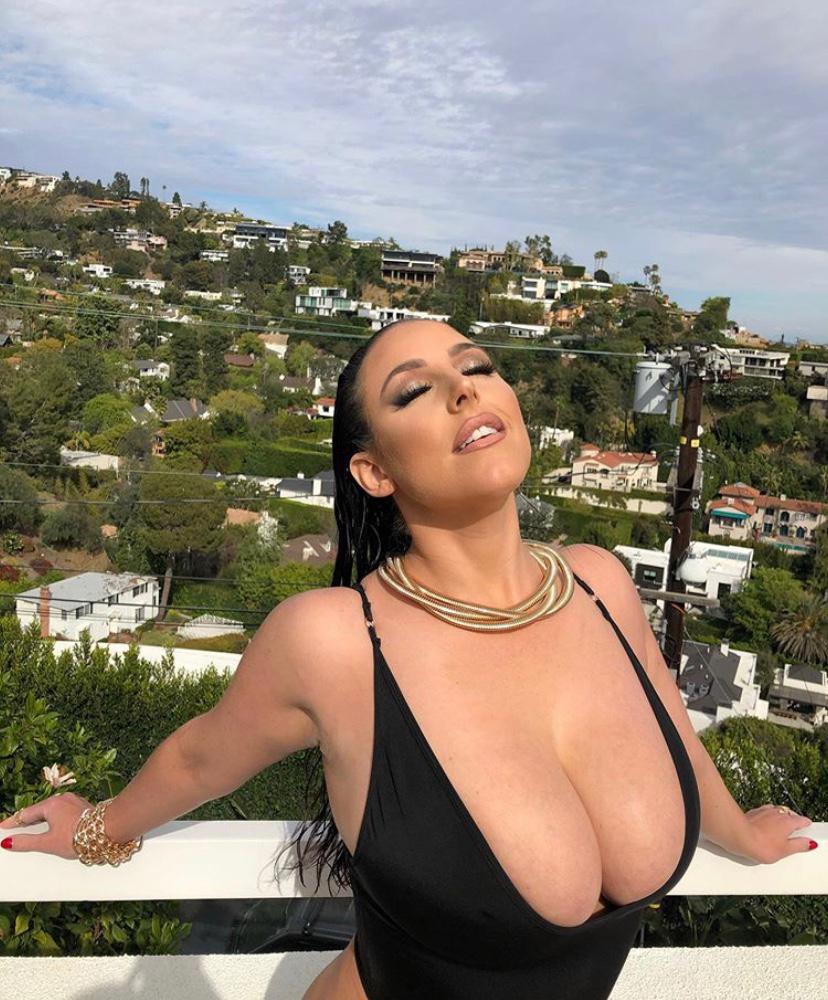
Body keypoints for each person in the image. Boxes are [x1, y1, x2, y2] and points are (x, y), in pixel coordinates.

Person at [1, 319, 817, 999]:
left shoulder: (601, 584)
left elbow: (667, 720)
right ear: (374, 470)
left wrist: (741, 833)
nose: (465, 389)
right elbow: (199, 758)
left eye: (478, 367)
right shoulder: (336, 640)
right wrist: (95, 830)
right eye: (415, 390)